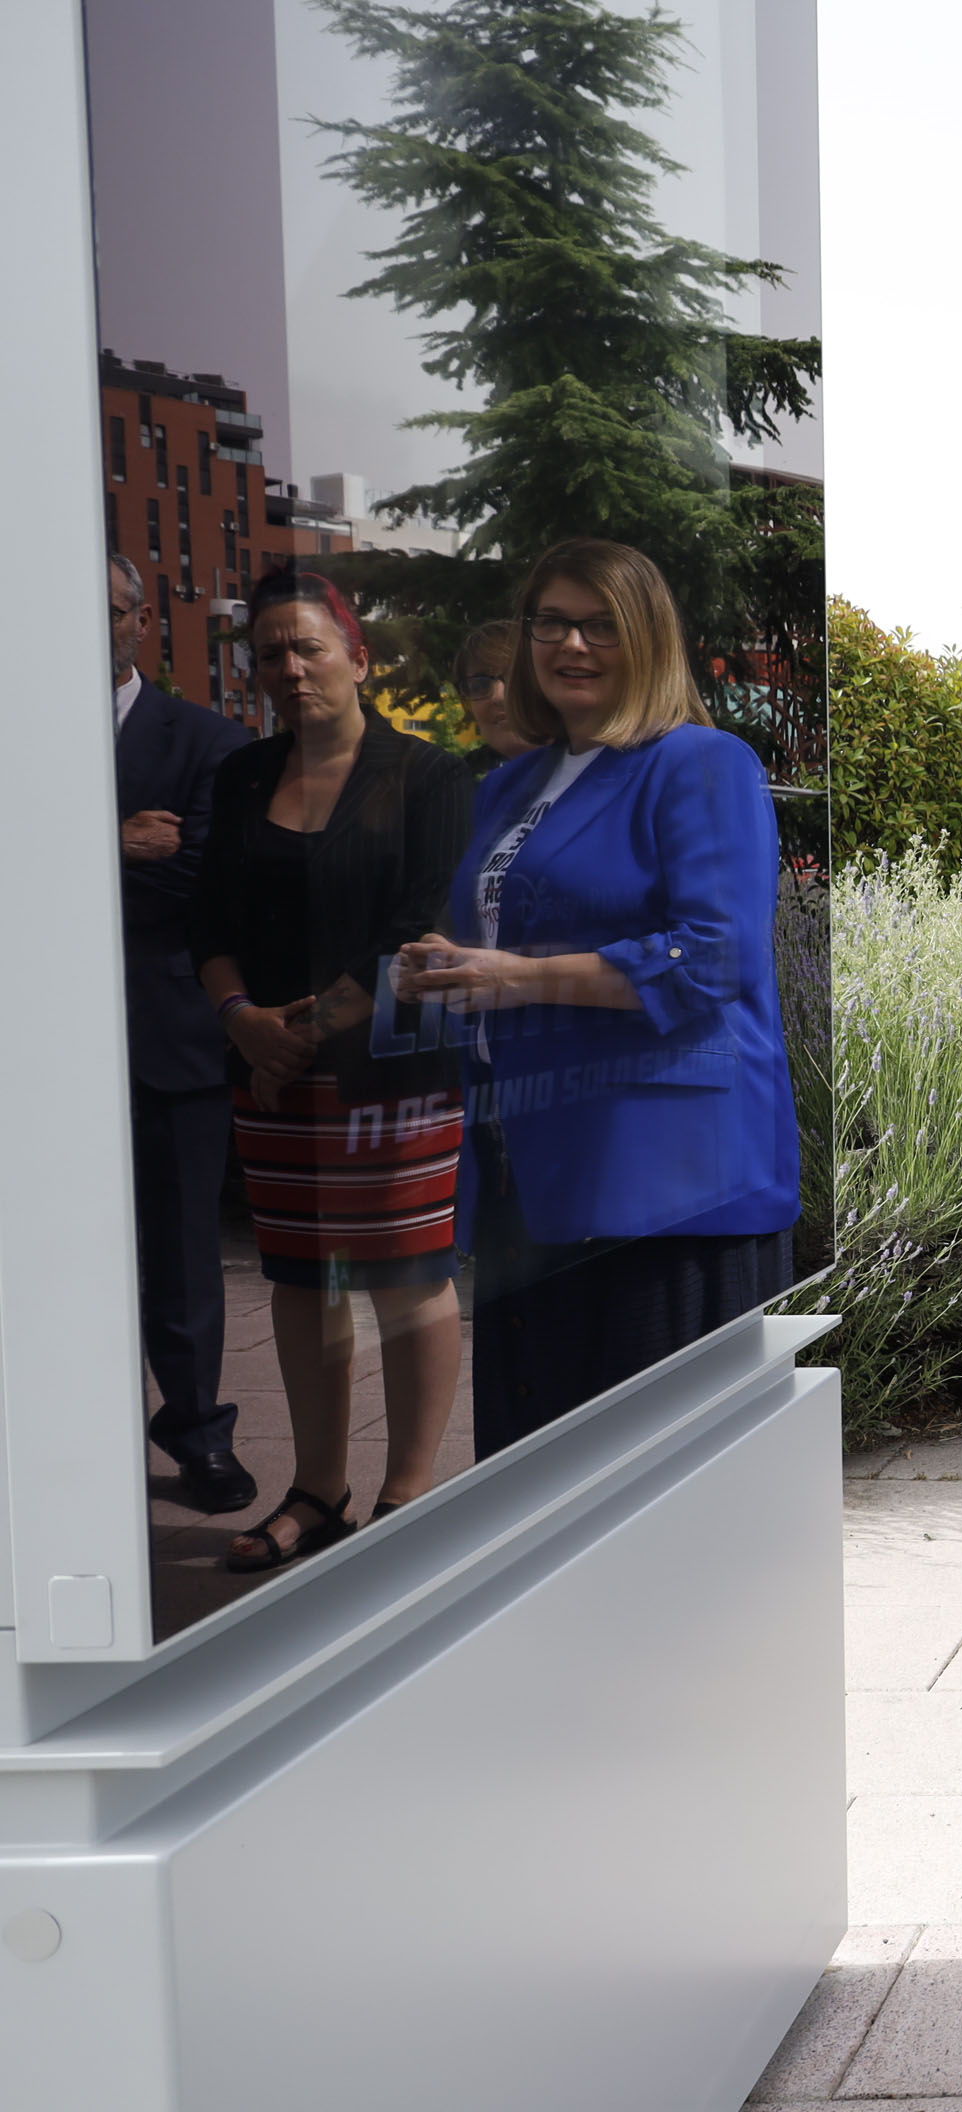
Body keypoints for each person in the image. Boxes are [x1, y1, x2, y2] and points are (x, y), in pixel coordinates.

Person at [398, 539, 800, 1458]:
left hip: (664, 1184)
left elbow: (717, 956)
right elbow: (511, 937)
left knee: (658, 1485)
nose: (570, 645)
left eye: (599, 625)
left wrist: (515, 977)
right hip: (529, 1158)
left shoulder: (701, 762)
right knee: (539, 1474)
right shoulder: (511, 785)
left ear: (648, 637)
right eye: (551, 623)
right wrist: (446, 966)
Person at [191, 571, 480, 1572]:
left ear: (358, 658)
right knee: (300, 1279)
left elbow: (417, 926)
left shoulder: (429, 776)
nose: (290, 667)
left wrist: (296, 1034)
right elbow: (208, 921)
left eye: (308, 646)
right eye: (270, 651)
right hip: (270, 1072)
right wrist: (241, 1021)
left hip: (391, 1069)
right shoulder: (241, 775)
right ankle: (318, 1491)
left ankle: (408, 1497)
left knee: (408, 1277)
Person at [110, 552, 258, 1515]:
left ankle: (200, 1434)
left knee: (181, 1255)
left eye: (111, 609)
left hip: (168, 1033)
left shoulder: (207, 739)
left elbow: (194, 879)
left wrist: (51, 855)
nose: (95, 626)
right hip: (36, 1050)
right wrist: (108, 838)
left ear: (142, 620)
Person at [451, 617, 540, 779]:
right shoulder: (457, 782)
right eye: (479, 685)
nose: (498, 697)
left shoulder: (588, 774)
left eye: (516, 678)